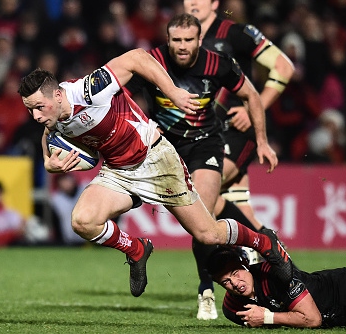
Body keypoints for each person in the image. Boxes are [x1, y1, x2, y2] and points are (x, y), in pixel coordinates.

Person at [17, 47, 292, 298]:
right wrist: (47, 161)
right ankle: (136, 250)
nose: (37, 116)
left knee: (209, 235)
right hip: (117, 170)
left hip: (155, 160)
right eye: (31, 110)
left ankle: (265, 242)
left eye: (40, 107)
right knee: (83, 221)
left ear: (58, 94)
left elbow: (137, 57)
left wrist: (172, 92)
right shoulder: (52, 116)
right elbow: (49, 132)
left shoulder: (89, 89)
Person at [124, 13, 278, 319]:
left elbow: (251, 94)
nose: (182, 46)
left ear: (198, 40)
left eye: (188, 40)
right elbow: (118, 94)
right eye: (176, 40)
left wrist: (262, 141)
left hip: (205, 143)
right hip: (162, 146)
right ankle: (254, 238)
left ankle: (205, 290)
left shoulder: (217, 63)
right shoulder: (151, 61)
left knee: (204, 219)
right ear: (168, 40)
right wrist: (139, 124)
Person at [184, 0, 294, 319]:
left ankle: (206, 289)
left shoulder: (236, 32)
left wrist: (254, 107)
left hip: (236, 129)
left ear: (215, 3)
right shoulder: (181, 41)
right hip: (203, 134)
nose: (192, 2)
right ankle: (279, 263)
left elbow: (283, 66)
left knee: (201, 203)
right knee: (233, 210)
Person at [205, 243, 346, 330]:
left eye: (235, 273)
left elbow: (312, 320)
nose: (235, 283)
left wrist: (266, 317)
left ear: (246, 264)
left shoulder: (275, 274)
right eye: (225, 282)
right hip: (337, 317)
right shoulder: (232, 308)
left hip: (343, 289)